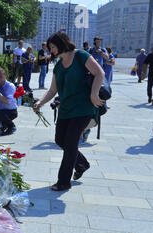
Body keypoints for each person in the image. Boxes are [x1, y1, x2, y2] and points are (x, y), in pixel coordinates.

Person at [33, 31, 104, 191]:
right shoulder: (58, 66)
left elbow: (99, 73)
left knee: (71, 143)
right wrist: (40, 102)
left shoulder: (81, 56)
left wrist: (94, 93)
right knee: (60, 140)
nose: (51, 51)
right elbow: (52, 90)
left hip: (83, 108)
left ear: (60, 44)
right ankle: (82, 164)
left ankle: (63, 181)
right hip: (65, 109)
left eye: (52, 47)